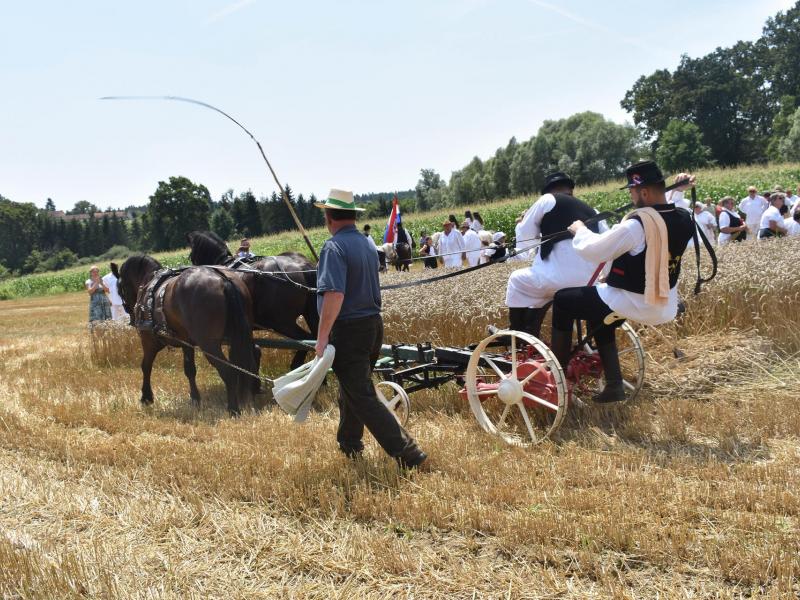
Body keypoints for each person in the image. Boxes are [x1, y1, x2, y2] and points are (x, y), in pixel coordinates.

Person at [550, 160, 695, 403]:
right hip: (665, 304)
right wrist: (678, 192)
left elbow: (595, 250)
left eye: (632, 191)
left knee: (562, 300)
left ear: (644, 193)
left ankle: (557, 374)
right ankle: (614, 385)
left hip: (636, 302)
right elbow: (665, 213)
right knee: (598, 313)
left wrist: (580, 230)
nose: (631, 196)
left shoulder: (637, 226)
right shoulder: (683, 217)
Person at [313, 189, 426, 469]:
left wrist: (322, 337)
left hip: (349, 330)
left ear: (329, 217)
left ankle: (408, 453)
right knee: (352, 388)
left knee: (362, 394)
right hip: (373, 326)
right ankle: (349, 442)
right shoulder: (366, 244)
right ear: (352, 215)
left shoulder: (333, 247)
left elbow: (334, 295)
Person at [504, 171, 606, 338]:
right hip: (590, 282)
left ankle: (516, 333)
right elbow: (608, 245)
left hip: (557, 278)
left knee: (516, 280)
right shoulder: (593, 211)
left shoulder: (548, 200)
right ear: (571, 190)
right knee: (541, 290)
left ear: (549, 190)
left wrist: (532, 240)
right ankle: (531, 332)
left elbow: (525, 237)